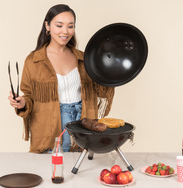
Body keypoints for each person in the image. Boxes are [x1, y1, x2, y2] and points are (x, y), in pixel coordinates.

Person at [8, 4, 114, 153]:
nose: (65, 31)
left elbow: (101, 91)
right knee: (54, 169)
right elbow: (29, 96)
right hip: (51, 127)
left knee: (82, 168)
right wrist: (22, 102)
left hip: (84, 122)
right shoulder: (33, 61)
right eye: (59, 25)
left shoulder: (84, 58)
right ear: (48, 26)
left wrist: (109, 68)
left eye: (70, 26)